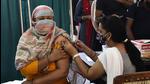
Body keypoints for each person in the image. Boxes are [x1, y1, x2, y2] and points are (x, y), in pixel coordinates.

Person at [62, 15, 144, 84]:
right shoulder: (129, 48)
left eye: (101, 32)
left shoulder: (110, 53)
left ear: (108, 35)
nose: (99, 34)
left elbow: (89, 74)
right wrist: (85, 49)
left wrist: (74, 54)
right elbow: (104, 62)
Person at [15, 5, 71, 84]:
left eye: (49, 18)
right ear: (33, 20)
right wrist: (50, 58)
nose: (46, 21)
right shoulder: (26, 39)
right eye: (41, 18)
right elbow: (24, 69)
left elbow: (63, 71)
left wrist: (34, 82)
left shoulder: (59, 38)